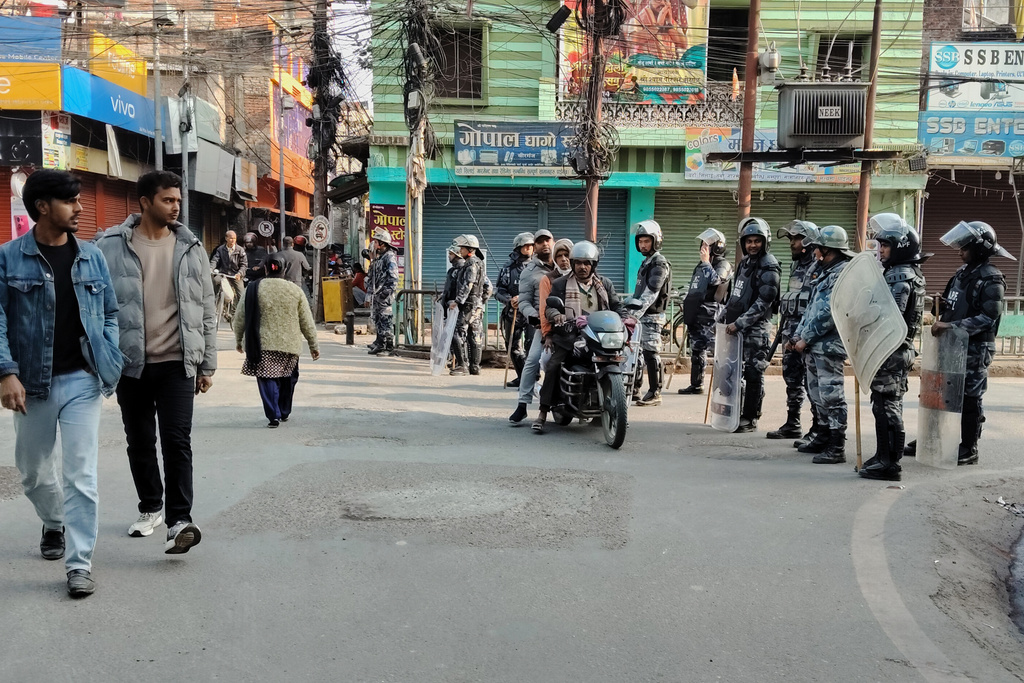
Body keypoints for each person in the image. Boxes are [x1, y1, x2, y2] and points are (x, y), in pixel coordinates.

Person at [0, 170, 123, 598]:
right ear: (42, 207)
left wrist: (107, 350)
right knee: (33, 474)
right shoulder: (8, 257)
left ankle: (79, 563)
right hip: (30, 383)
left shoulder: (91, 256)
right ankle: (54, 522)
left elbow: (109, 311)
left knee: (81, 475)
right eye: (71, 201)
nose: (81, 208)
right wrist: (6, 372)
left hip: (82, 381)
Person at [96, 170, 217, 554]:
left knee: (177, 441)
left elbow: (206, 307)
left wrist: (207, 363)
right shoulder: (109, 245)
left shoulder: (190, 246)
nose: (176, 206)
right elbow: (94, 305)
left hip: (177, 361)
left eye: (178, 200)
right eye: (168, 199)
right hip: (131, 363)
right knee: (140, 441)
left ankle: (180, 519)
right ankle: (151, 507)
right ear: (145, 202)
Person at [930, 220, 1012, 466]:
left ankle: (969, 447)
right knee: (943, 392)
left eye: (965, 247)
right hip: (954, 345)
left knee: (970, 397)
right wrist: (942, 305)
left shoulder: (992, 279)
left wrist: (951, 326)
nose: (959, 251)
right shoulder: (961, 274)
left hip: (976, 348)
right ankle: (934, 438)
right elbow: (955, 304)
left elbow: (988, 318)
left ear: (980, 249)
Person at [857, 214, 926, 481]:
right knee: (881, 405)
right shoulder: (900, 273)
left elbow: (890, 317)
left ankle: (891, 463)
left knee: (888, 408)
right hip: (890, 350)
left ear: (900, 247)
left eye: (885, 245)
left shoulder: (901, 277)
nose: (881, 250)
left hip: (893, 351)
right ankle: (882, 455)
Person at [533, 241, 624, 433]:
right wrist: (556, 315)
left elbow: (616, 306)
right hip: (569, 336)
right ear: (573, 264)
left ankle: (619, 408)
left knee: (621, 361)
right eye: (579, 263)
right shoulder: (560, 284)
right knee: (553, 365)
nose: (583, 267)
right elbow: (549, 307)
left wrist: (626, 319)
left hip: (599, 335)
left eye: (587, 263)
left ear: (594, 265)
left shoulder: (604, 284)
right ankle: (542, 412)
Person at [233, 253, 320, 427]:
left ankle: (273, 415)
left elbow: (240, 317)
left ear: (266, 268)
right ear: (285, 269)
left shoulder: (254, 288)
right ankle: (284, 411)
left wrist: (239, 340)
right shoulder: (295, 290)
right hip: (290, 346)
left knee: (267, 378)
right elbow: (306, 321)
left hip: (263, 344)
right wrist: (313, 344)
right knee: (287, 378)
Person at [792, 226, 855, 464]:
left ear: (827, 249)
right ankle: (823, 436)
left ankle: (837, 446)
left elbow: (829, 313)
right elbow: (811, 309)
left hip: (828, 346)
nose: (814, 251)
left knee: (832, 396)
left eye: (817, 248)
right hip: (814, 345)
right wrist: (798, 335)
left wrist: (805, 337)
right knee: (818, 394)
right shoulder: (825, 272)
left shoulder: (842, 275)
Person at [721, 218, 781, 433]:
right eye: (749, 241)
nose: (752, 245)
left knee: (754, 373)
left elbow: (764, 301)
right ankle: (735, 411)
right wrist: (723, 317)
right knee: (734, 372)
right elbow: (736, 296)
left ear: (765, 242)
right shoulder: (744, 263)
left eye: (757, 241)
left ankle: (750, 417)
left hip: (756, 329)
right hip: (737, 328)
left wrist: (740, 323)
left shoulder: (769, 266)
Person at [767, 220, 820, 440]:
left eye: (796, 239)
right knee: (791, 378)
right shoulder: (795, 266)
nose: (792, 244)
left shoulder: (818, 268)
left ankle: (818, 427)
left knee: (812, 382)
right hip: (789, 330)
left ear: (808, 241)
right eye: (791, 239)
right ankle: (793, 422)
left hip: (807, 334)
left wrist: (804, 335)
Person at [678, 228, 733, 395]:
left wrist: (706, 263)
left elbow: (717, 280)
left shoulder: (723, 264)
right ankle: (696, 384)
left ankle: (723, 386)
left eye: (707, 245)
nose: (703, 248)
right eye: (702, 245)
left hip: (711, 314)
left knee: (717, 352)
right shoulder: (701, 264)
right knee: (696, 350)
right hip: (697, 312)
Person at [509, 229, 555, 423]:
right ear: (534, 246)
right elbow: (525, 301)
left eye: (548, 240)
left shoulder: (567, 265)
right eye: (540, 241)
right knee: (532, 360)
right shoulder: (529, 272)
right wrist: (535, 315)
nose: (545, 244)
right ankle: (522, 404)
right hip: (543, 325)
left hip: (571, 323)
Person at [629, 220, 672, 406]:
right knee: (637, 353)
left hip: (652, 317)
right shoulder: (646, 263)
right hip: (641, 316)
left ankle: (655, 392)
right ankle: (635, 390)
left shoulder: (659, 263)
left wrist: (633, 315)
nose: (643, 245)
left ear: (656, 241)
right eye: (641, 241)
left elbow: (651, 293)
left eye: (647, 241)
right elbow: (637, 293)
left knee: (651, 353)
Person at [495, 232, 535, 388]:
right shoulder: (508, 268)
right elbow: (498, 291)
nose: (529, 248)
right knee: (513, 347)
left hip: (533, 313)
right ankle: (522, 375)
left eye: (531, 246)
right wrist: (509, 300)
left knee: (532, 347)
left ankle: (531, 376)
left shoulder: (538, 267)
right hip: (514, 314)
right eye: (526, 246)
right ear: (518, 247)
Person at [450, 234, 487, 376]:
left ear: (469, 249)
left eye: (462, 248)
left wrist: (458, 301)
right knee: (475, 334)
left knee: (457, 333)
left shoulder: (471, 263)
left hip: (468, 305)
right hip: (476, 304)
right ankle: (475, 367)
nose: (460, 250)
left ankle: (462, 365)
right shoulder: (479, 263)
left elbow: (469, 284)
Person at [364, 227, 399, 356]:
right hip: (378, 294)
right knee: (379, 319)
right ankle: (380, 344)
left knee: (386, 321)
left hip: (385, 296)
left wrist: (385, 293)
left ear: (382, 244)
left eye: (377, 242)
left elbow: (394, 278)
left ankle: (388, 347)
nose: (375, 244)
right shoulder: (381, 257)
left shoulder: (389, 257)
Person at [210, 230, 246, 319]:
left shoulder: (240, 250)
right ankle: (213, 305)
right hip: (223, 273)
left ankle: (234, 312)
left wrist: (239, 273)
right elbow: (215, 260)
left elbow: (244, 265)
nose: (232, 240)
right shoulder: (220, 249)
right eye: (230, 238)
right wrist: (210, 268)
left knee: (241, 294)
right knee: (215, 281)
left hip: (235, 275)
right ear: (226, 238)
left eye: (234, 238)